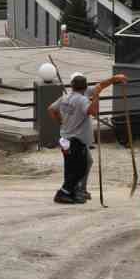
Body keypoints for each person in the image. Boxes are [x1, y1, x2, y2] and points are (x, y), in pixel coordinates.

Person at [49, 71, 127, 205]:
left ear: (72, 86)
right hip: (76, 140)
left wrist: (61, 122)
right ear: (85, 87)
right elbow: (93, 112)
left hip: (66, 138)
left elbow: (51, 109)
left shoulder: (65, 97)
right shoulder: (82, 99)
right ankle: (65, 192)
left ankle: (72, 191)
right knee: (80, 168)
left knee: (72, 167)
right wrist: (96, 97)